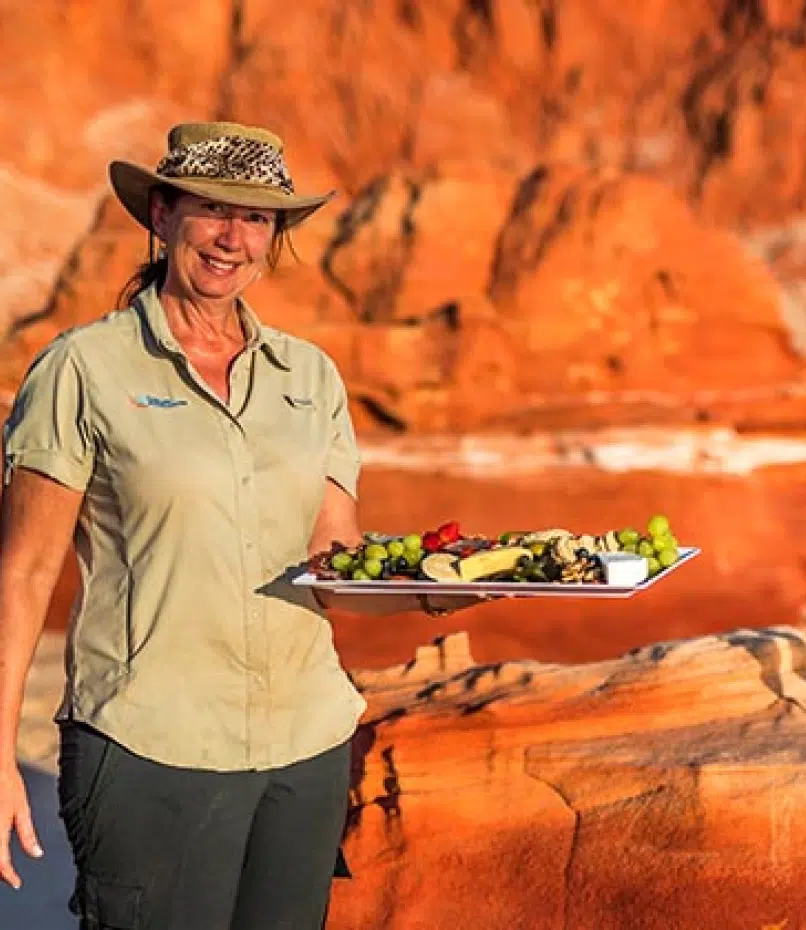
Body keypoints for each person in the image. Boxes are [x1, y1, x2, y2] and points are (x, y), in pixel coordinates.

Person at [0, 121, 468, 929]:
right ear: (162, 216)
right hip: (151, 751)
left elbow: (333, 560)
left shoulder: (309, 375)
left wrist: (443, 592)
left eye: (255, 218)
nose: (231, 237)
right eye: (212, 209)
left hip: (305, 745)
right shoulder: (83, 369)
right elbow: (24, 573)